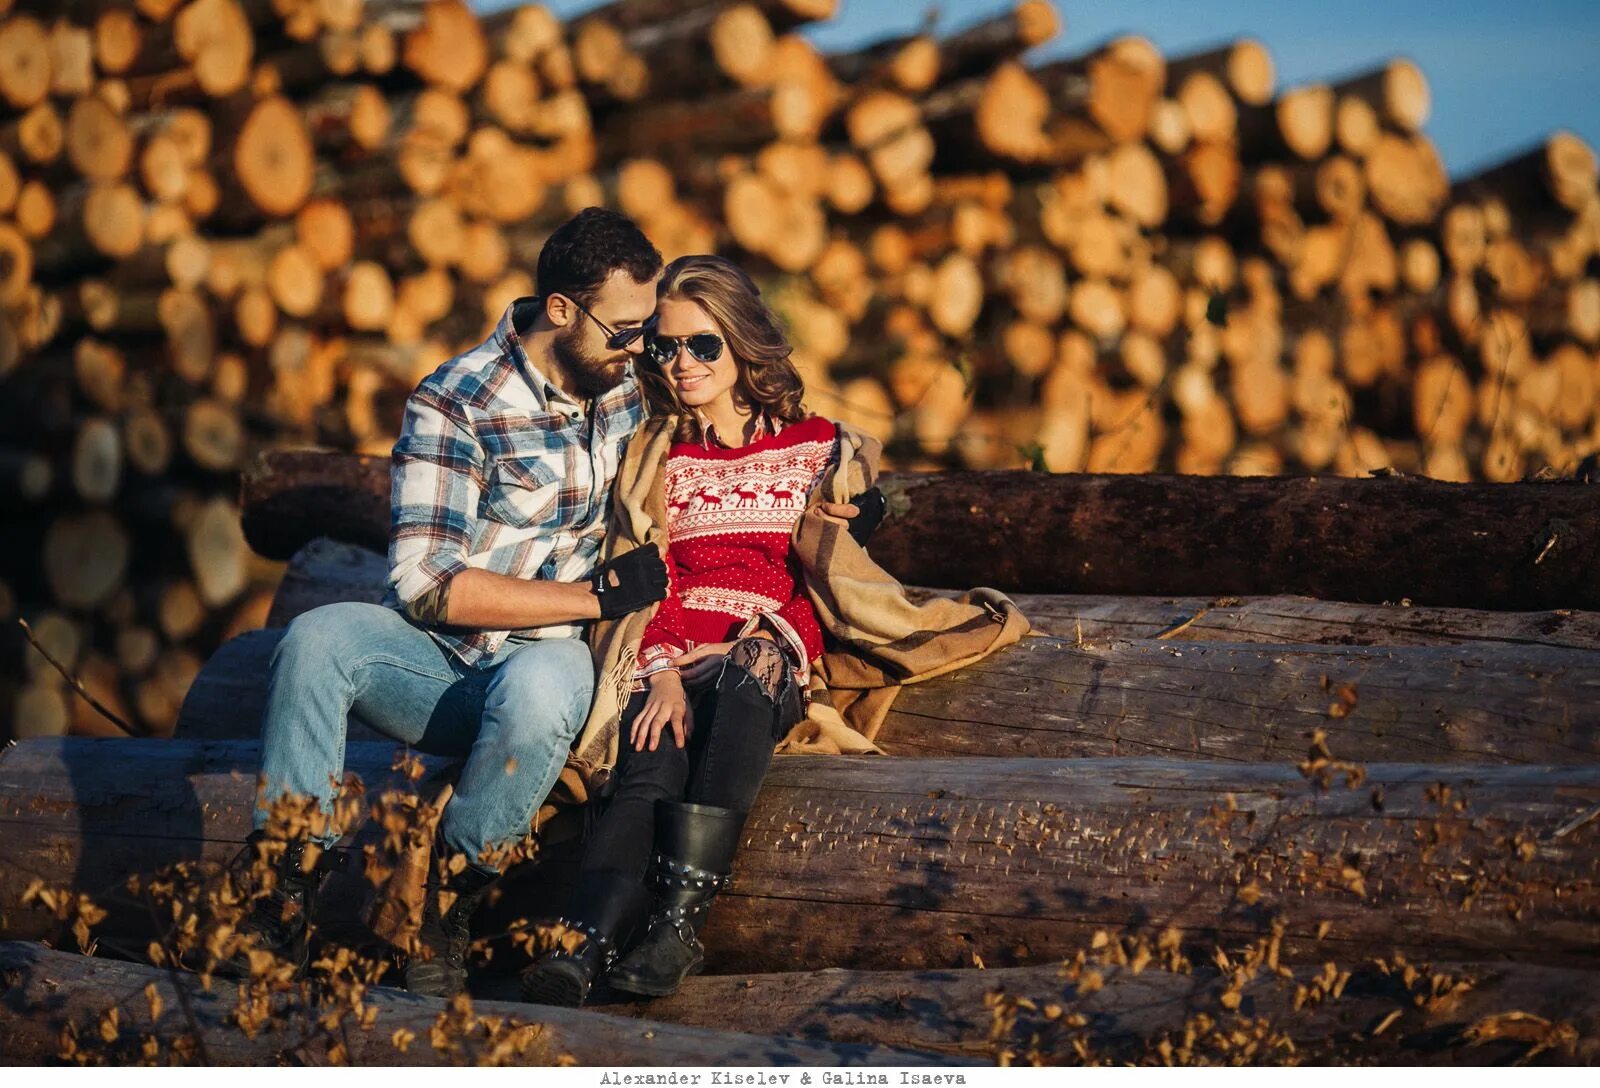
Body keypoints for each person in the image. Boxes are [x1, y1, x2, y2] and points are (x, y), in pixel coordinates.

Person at [519, 255, 1027, 1007]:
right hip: (669, 646)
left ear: (742, 343)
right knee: (653, 754)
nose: (681, 362)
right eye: (664, 345)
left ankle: (675, 926)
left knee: (748, 672)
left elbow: (816, 579)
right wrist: (659, 669)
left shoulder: (816, 447)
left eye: (703, 345)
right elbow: (646, 579)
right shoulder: (659, 454)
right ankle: (584, 942)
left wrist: (746, 639)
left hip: (768, 643)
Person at [222, 208, 674, 999]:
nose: (640, 347)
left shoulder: (629, 386)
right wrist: (595, 594)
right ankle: (284, 883)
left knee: (542, 687)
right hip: (444, 667)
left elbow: (740, 403)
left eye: (647, 328)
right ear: (561, 311)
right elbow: (427, 587)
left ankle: (448, 899)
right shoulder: (458, 399)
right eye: (624, 329)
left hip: (550, 663)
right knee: (318, 637)